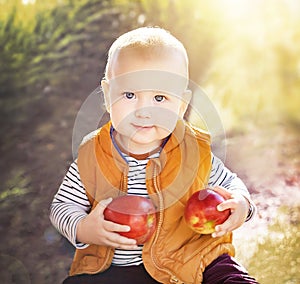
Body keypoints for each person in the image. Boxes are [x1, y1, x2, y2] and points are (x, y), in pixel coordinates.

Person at [50, 27, 258, 284]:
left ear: (181, 105)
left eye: (160, 97)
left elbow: (230, 184)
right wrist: (84, 229)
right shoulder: (92, 155)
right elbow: (62, 206)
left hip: (191, 257)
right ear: (107, 95)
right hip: (114, 265)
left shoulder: (193, 151)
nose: (144, 111)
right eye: (129, 95)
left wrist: (240, 204)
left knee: (228, 276)